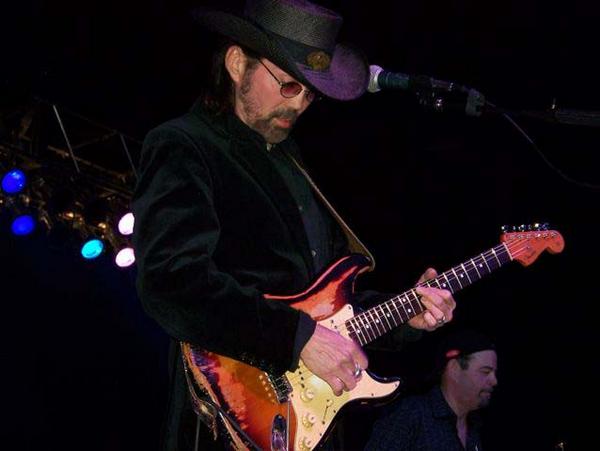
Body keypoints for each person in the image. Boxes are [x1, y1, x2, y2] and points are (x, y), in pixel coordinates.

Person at [131, 1, 456, 449]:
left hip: (308, 425)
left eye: (310, 94)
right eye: (288, 85)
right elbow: (171, 280)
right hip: (228, 421)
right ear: (237, 64)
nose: (299, 104)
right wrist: (296, 337)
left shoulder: (293, 164)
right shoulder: (186, 145)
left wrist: (407, 314)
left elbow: (328, 302)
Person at [365, 329, 498, 451]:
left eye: (494, 373)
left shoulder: (474, 428)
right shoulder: (411, 414)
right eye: (485, 372)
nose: (494, 381)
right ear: (454, 369)